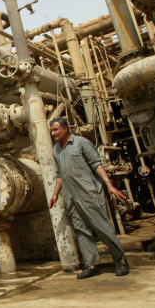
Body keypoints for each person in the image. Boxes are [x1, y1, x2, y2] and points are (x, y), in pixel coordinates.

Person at [48, 117, 130, 279]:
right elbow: (60, 175)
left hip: (88, 193)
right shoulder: (56, 149)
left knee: (102, 227)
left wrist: (109, 185)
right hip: (70, 197)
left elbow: (96, 165)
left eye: (56, 129)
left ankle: (121, 262)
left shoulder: (81, 143)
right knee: (81, 231)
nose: (53, 133)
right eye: (52, 130)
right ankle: (92, 265)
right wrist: (56, 194)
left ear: (65, 128)